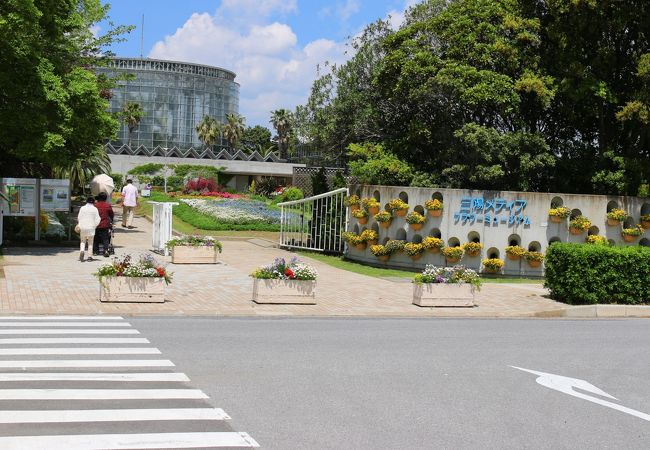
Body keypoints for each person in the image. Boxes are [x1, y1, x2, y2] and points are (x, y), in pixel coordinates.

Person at [77, 196, 100, 262]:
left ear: (86, 201)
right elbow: (98, 219)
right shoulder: (95, 209)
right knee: (90, 242)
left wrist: (80, 224)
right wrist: (94, 226)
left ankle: (82, 251)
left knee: (82, 241)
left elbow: (79, 217)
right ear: (94, 202)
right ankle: (89, 256)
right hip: (91, 227)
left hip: (83, 227)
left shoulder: (82, 208)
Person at [93, 192, 114, 257]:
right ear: (105, 198)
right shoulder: (108, 205)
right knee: (105, 238)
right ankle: (106, 250)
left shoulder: (95, 205)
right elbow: (111, 214)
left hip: (96, 224)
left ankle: (95, 251)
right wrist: (111, 221)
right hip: (105, 224)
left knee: (95, 238)